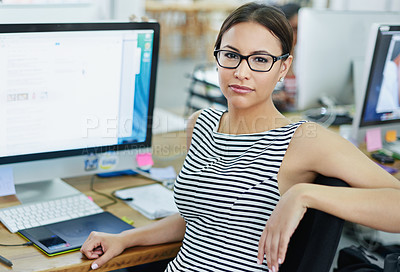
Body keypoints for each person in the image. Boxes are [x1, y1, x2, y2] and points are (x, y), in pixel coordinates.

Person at [81, 2, 400, 272]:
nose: (241, 71)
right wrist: (125, 238)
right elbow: (201, 221)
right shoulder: (200, 124)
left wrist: (305, 194)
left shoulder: (304, 140)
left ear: (283, 68)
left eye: (260, 59)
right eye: (231, 55)